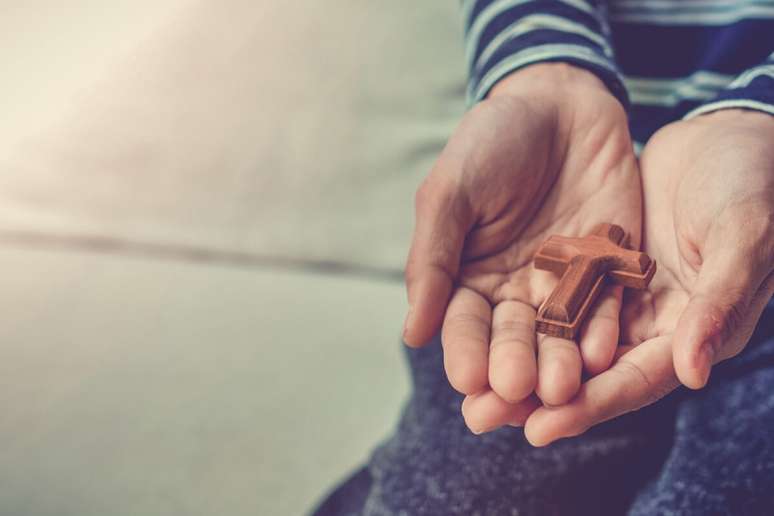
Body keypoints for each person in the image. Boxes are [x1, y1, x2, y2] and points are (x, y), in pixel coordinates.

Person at [314, 1, 774, 514]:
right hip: (542, 234)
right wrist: (543, 73)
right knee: (454, 492)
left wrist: (761, 120)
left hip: (750, 222)